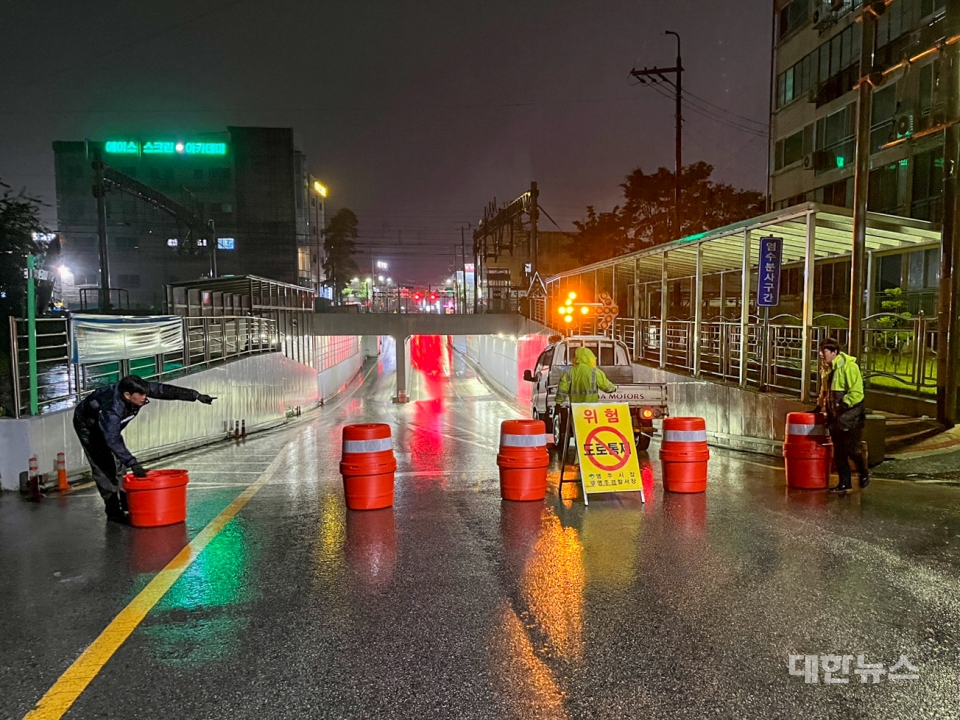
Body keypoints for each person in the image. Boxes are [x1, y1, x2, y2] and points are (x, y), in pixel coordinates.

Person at [73, 375, 216, 521]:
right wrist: (133, 463)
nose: (144, 397)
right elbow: (112, 439)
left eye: (145, 393)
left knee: (119, 463)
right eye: (140, 395)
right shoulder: (112, 409)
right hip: (89, 427)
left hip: (108, 426)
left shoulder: (137, 390)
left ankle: (127, 502)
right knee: (103, 466)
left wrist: (196, 396)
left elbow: (164, 390)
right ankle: (113, 511)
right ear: (127, 395)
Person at [818, 338, 868, 494]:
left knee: (851, 450)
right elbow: (824, 391)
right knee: (839, 451)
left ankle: (863, 471)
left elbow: (857, 392)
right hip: (836, 416)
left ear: (834, 352)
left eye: (824, 351)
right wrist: (819, 406)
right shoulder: (827, 369)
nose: (821, 354)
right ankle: (844, 483)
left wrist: (843, 405)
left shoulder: (849, 367)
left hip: (850, 416)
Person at [554, 347, 618, 433]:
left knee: (578, 433)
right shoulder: (595, 372)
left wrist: (558, 404)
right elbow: (606, 387)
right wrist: (614, 388)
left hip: (576, 409)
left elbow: (562, 390)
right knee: (590, 432)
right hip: (591, 410)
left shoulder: (569, 372)